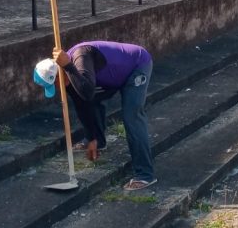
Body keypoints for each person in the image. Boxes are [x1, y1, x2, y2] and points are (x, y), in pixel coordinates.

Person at [33, 41, 157, 191]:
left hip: (136, 65)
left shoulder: (80, 58)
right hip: (111, 76)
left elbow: (87, 91)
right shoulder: (69, 76)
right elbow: (83, 105)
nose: (58, 89)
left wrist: (67, 66)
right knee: (92, 101)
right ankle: (99, 141)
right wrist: (91, 138)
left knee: (132, 116)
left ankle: (145, 175)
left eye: (55, 85)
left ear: (59, 74)